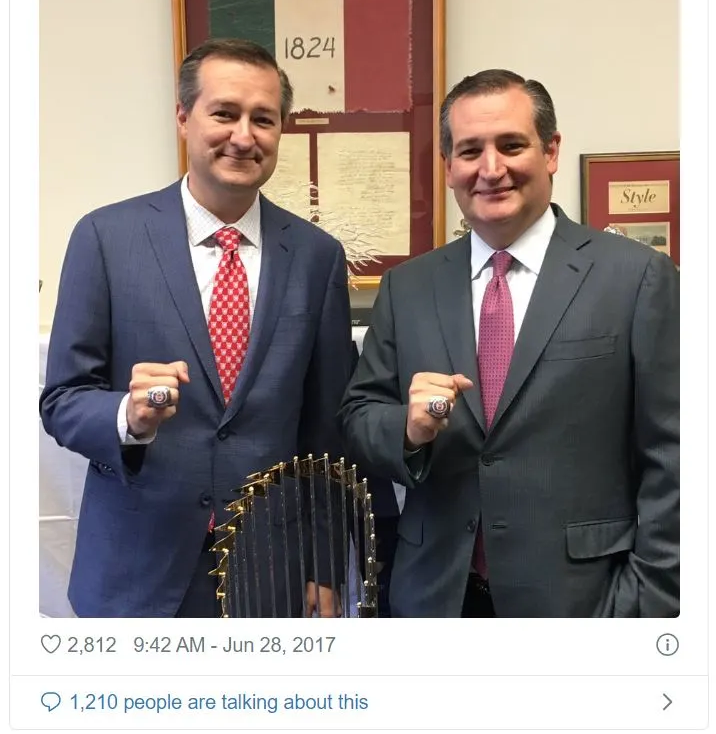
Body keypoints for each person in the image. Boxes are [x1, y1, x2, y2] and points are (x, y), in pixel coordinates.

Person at [340, 69, 679, 618]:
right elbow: (358, 418)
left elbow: (676, 455)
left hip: (585, 604)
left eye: (511, 145)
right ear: (448, 166)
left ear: (551, 151)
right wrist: (407, 429)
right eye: (470, 150)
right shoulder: (408, 287)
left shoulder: (636, 277)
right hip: (435, 601)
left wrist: (648, 601)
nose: (491, 168)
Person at [41, 39, 353, 617]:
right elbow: (62, 399)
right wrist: (127, 417)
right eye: (224, 113)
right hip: (136, 568)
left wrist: (324, 564)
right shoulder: (106, 238)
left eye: (263, 119)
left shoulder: (318, 256)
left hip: (270, 569)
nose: (243, 136)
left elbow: (325, 430)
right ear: (184, 117)